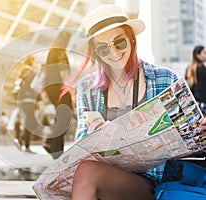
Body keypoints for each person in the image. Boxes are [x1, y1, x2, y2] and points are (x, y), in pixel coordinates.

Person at [66, 5, 206, 200]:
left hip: (153, 182)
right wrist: (93, 138)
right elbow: (79, 148)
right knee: (86, 171)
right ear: (96, 53)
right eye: (103, 48)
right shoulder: (88, 88)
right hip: (105, 177)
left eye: (119, 42)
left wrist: (200, 130)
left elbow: (193, 143)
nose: (114, 52)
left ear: (131, 39)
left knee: (87, 173)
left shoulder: (164, 79)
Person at [42, 30, 74, 158]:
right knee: (65, 116)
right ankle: (55, 149)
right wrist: (71, 91)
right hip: (60, 88)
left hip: (51, 88)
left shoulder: (51, 52)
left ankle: (50, 143)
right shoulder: (60, 53)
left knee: (61, 116)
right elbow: (64, 73)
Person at [16, 56, 37, 152]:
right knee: (29, 123)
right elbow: (34, 86)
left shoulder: (21, 72)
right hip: (29, 100)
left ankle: (20, 140)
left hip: (21, 99)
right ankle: (24, 143)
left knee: (25, 121)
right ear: (31, 61)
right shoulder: (30, 71)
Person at [185, 45, 206, 116]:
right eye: (204, 53)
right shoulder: (202, 67)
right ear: (198, 55)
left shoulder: (189, 68)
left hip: (195, 104)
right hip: (204, 103)